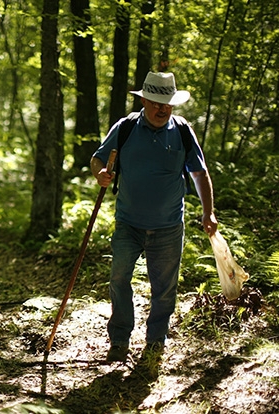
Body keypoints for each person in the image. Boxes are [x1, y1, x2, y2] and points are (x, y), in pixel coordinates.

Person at [90, 72, 218, 362]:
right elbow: (98, 157)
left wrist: (208, 212)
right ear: (144, 100)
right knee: (119, 279)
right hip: (128, 223)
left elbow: (199, 173)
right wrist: (100, 173)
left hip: (168, 227)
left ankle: (156, 342)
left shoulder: (183, 131)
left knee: (164, 289)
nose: (163, 109)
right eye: (157, 103)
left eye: (168, 104)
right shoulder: (125, 128)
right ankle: (120, 339)